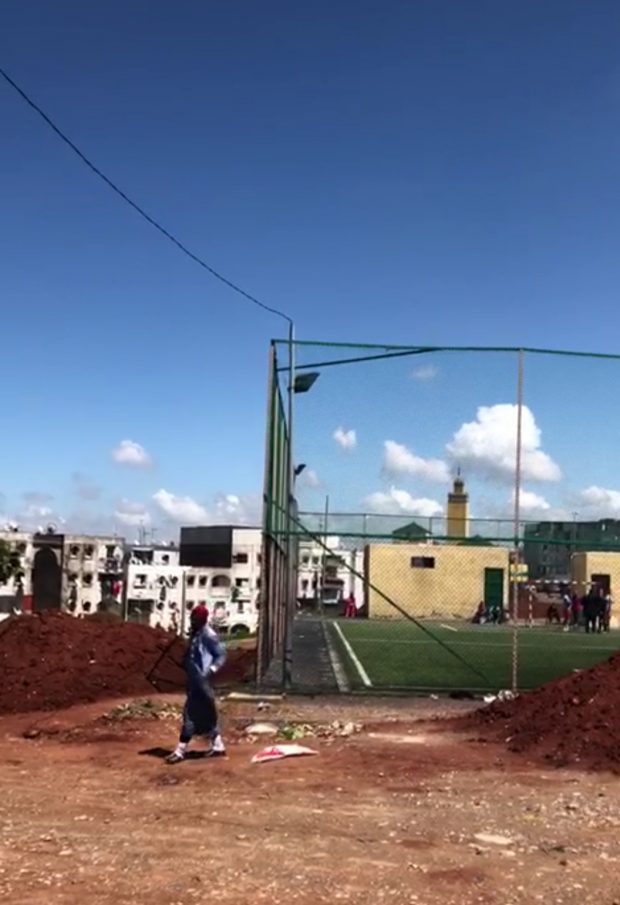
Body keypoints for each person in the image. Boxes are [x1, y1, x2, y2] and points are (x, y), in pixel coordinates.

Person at [166, 604, 227, 764]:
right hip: (195, 680)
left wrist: (210, 670)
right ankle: (218, 746)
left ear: (202, 619)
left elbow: (221, 655)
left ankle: (180, 751)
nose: (192, 621)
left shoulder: (208, 635)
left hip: (201, 680)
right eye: (192, 618)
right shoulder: (197, 633)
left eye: (195, 619)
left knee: (190, 714)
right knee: (207, 714)